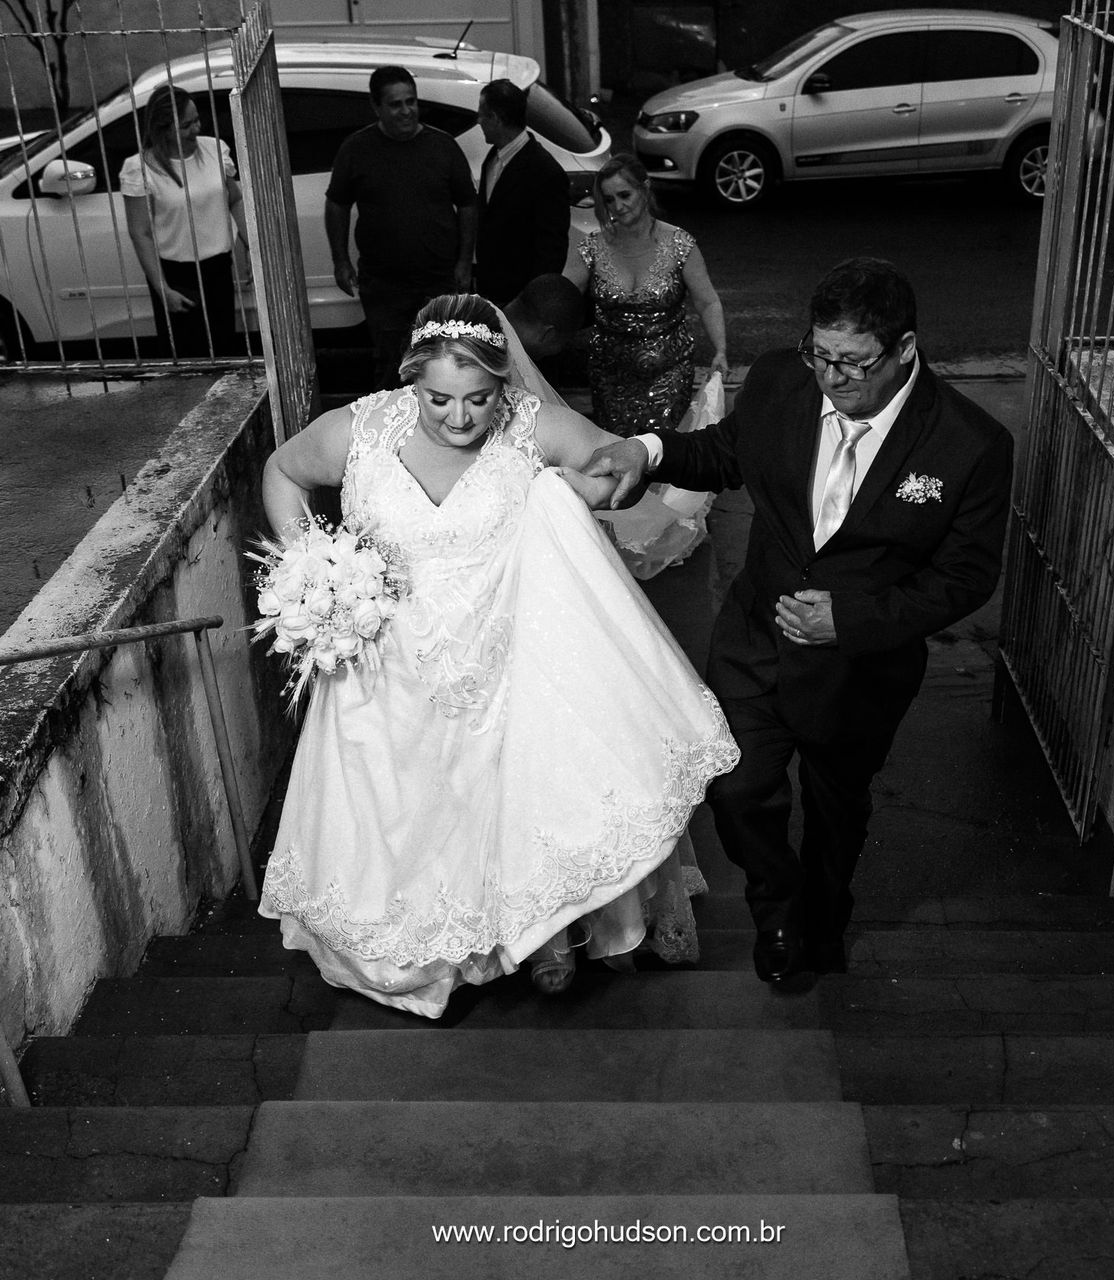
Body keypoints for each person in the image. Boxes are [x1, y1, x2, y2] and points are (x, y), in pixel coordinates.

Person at [257, 293, 737, 1018]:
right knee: (396, 814)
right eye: (438, 399)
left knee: (512, 805)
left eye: (478, 399)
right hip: (383, 669)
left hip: (501, 656)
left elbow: (615, 469)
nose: (459, 418)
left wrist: (571, 487)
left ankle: (530, 936)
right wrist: (313, 568)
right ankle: (411, 946)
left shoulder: (533, 427)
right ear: (409, 379)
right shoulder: (355, 430)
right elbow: (282, 473)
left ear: (503, 384)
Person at [584, 258, 1014, 984]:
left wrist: (853, 620)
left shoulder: (970, 446)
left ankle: (824, 915)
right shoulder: (786, 378)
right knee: (736, 788)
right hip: (755, 639)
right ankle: (778, 913)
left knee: (836, 809)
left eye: (853, 363)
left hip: (861, 672)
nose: (832, 377)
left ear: (905, 349)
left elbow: (968, 576)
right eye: (822, 355)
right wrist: (649, 451)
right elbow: (729, 452)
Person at [326, 66, 478, 390]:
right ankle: (390, 433)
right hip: (384, 286)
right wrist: (340, 260)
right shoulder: (357, 149)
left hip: (438, 280)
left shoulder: (443, 146)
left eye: (411, 101)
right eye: (396, 104)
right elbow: (337, 203)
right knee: (391, 364)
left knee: (444, 360)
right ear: (376, 107)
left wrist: (464, 261)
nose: (406, 111)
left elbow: (467, 204)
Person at [562, 155, 727, 437]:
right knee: (616, 450)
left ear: (645, 188)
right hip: (610, 375)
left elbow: (707, 301)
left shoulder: (679, 243)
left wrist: (721, 350)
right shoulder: (593, 246)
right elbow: (561, 295)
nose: (618, 206)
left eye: (625, 195)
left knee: (663, 452)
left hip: (669, 373)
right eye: (609, 199)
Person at [122, 85, 245, 359]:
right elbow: (140, 232)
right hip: (177, 276)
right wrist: (163, 289)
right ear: (163, 128)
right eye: (186, 124)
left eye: (197, 120)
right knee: (188, 358)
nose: (196, 129)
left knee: (224, 350)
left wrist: (249, 246)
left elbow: (234, 198)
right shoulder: (139, 168)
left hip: (218, 269)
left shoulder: (215, 150)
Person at [474, 79, 571, 311]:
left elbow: (552, 249)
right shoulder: (494, 158)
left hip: (519, 301)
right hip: (491, 294)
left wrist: (530, 303)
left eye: (482, 115)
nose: (478, 121)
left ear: (496, 119)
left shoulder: (545, 172)